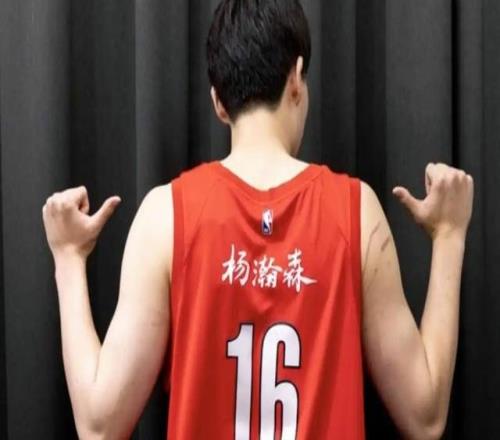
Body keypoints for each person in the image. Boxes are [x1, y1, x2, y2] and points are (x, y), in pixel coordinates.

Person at [42, 1, 474, 439]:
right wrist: (449, 234)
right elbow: (425, 418)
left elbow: (99, 427)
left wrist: (68, 257)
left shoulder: (164, 217)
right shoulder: (356, 212)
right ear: (296, 77)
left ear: (218, 102)